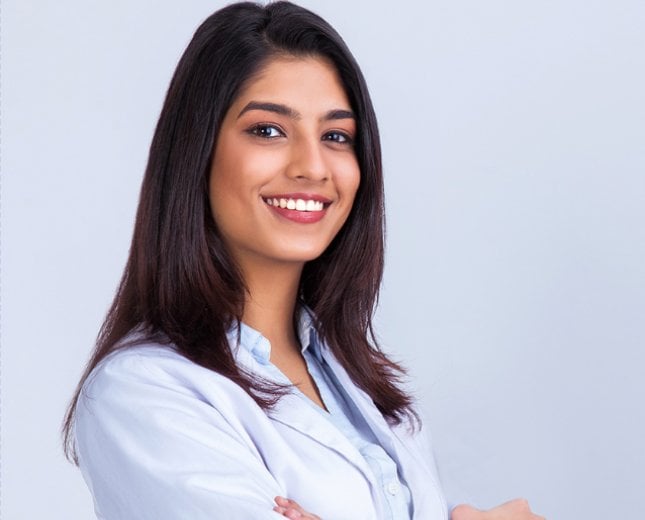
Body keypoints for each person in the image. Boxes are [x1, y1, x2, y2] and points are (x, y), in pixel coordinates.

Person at [63, 2, 543, 519]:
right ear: (197, 150)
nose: (313, 167)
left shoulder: (362, 386)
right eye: (268, 130)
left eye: (336, 136)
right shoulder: (143, 392)